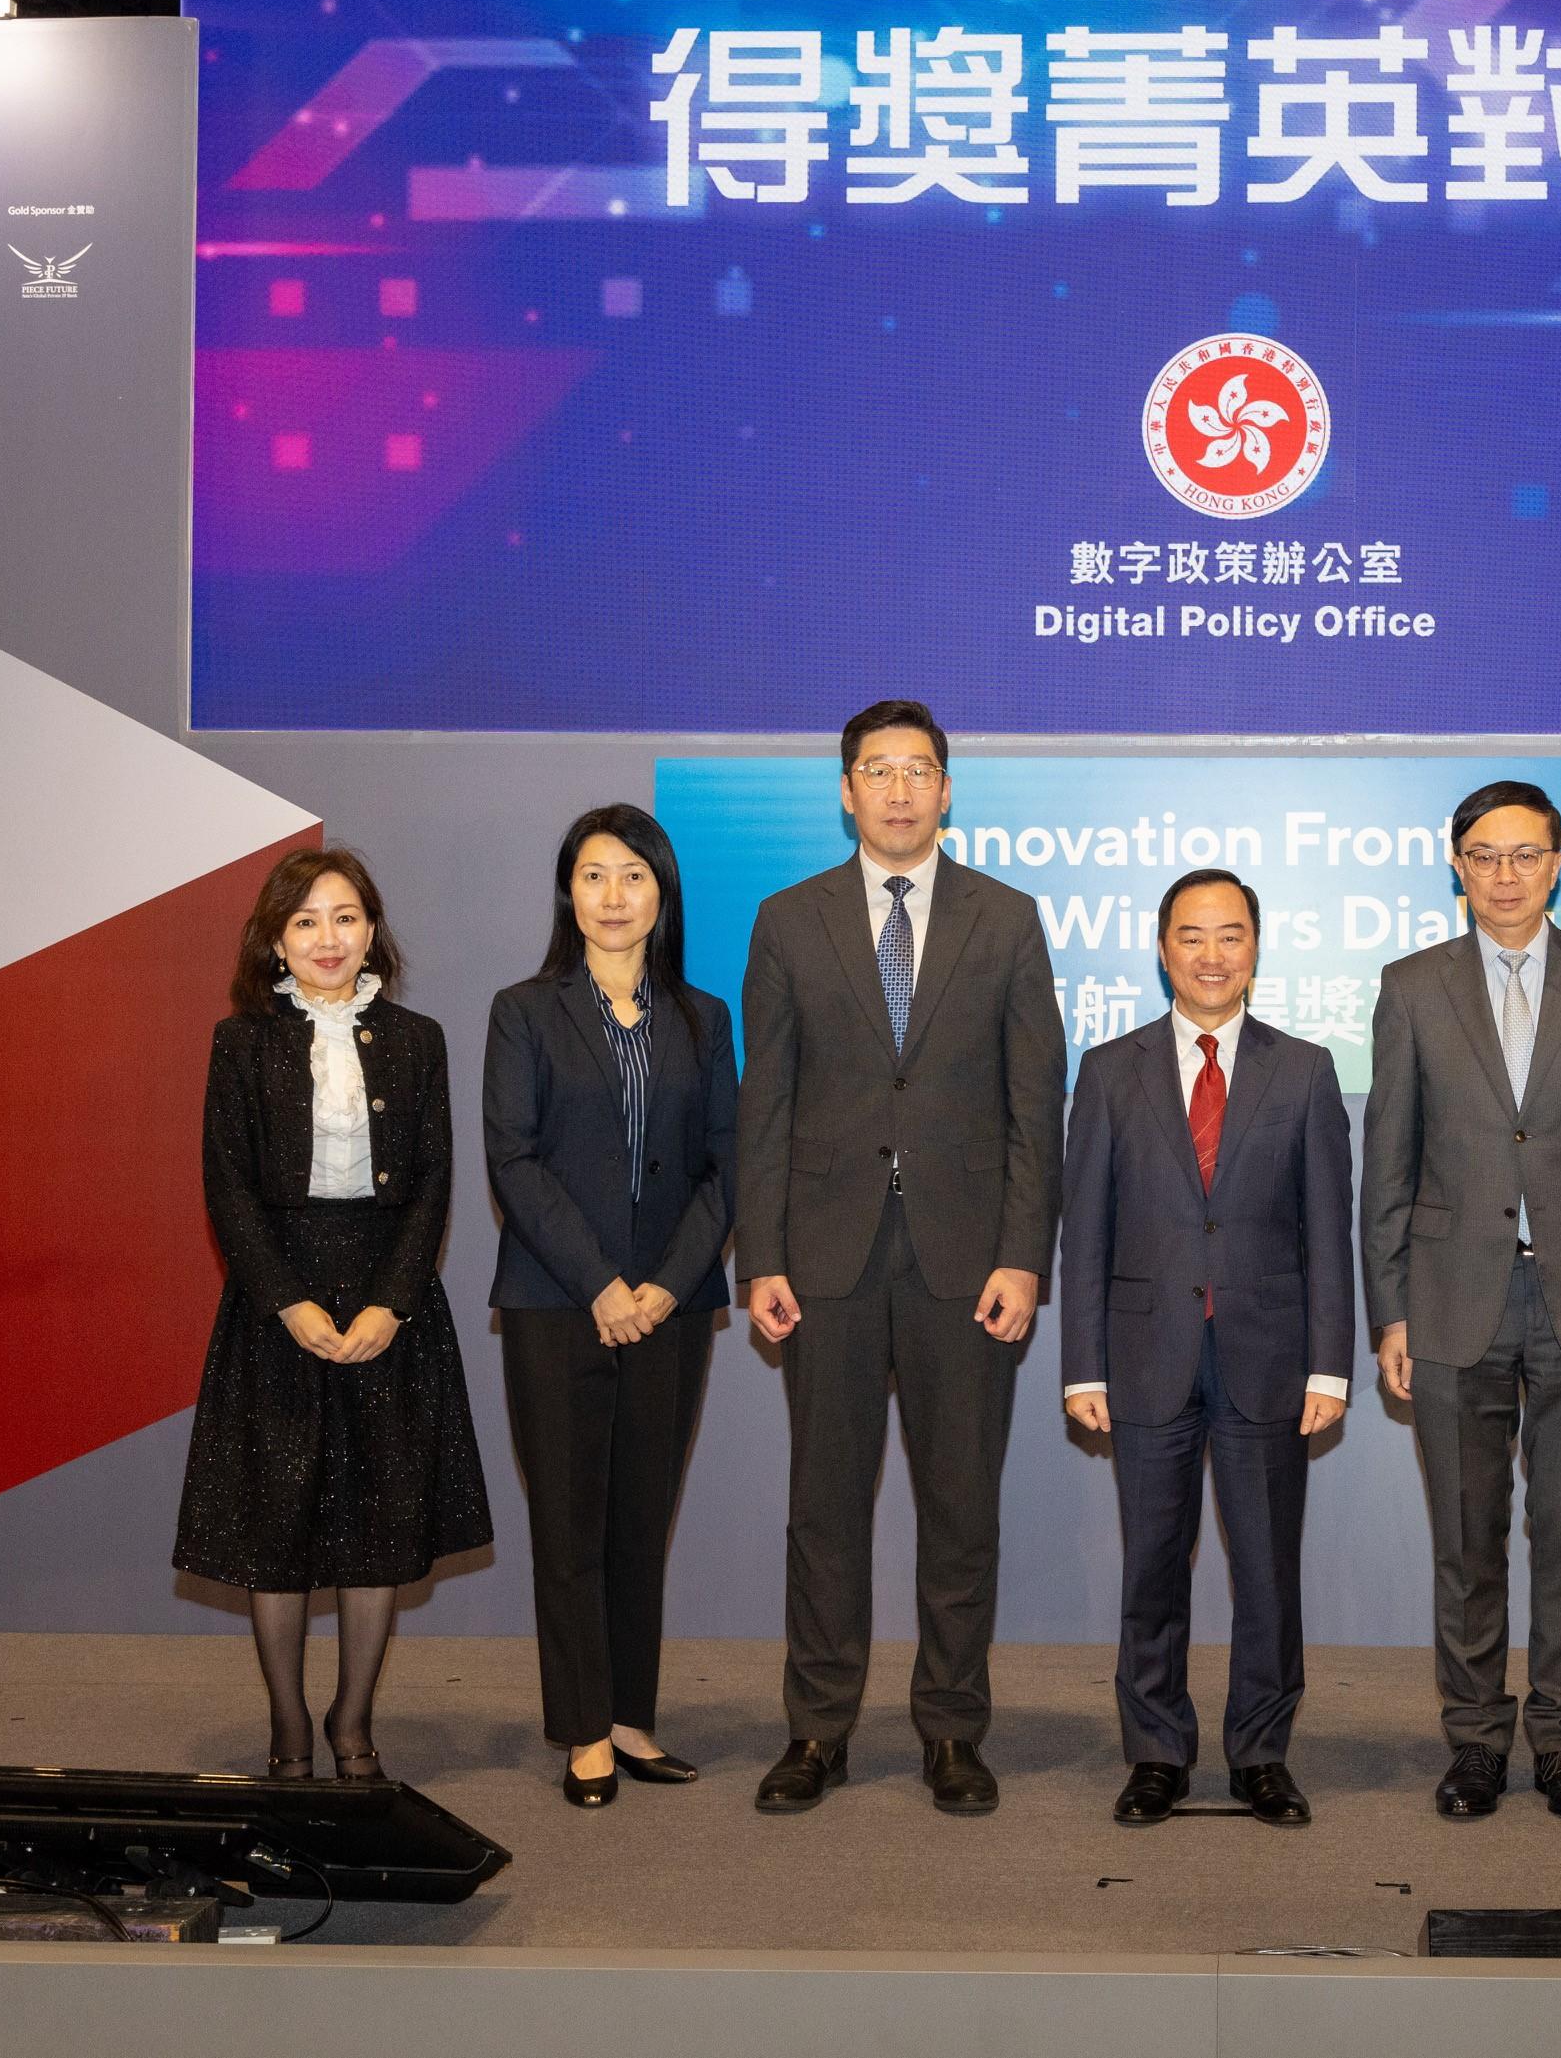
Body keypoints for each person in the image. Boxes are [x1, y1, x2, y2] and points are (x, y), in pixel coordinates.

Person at [737, 700, 1066, 1815]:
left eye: (917, 770)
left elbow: (1037, 1107)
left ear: (945, 789)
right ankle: (817, 1730)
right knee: (823, 1510)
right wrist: (761, 1256)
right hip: (824, 1261)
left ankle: (952, 1732)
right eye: (876, 770)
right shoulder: (788, 921)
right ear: (845, 789)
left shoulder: (1007, 919)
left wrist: (1025, 1256)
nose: (897, 789)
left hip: (964, 1264)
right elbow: (764, 1105)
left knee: (958, 1507)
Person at [1362, 780, 1561, 1824]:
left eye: (1525, 854)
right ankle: (1473, 1741)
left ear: (1558, 862)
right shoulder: (1411, 987)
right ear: (1455, 865)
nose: (1505, 875)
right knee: (1466, 1538)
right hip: (1453, 1303)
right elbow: (1388, 1169)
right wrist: (1390, 1313)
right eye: (1484, 855)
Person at [172, 845, 493, 1780]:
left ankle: (353, 1724)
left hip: (390, 1302)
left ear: (372, 929)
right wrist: (285, 1301)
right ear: (276, 939)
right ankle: (287, 1726)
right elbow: (225, 1185)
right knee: (279, 1527)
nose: (328, 937)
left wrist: (394, 1300)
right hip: (277, 1303)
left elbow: (433, 1180)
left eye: (345, 917)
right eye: (306, 920)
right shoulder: (240, 1042)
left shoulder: (418, 1036)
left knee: (376, 1526)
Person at [1058, 869, 1356, 1828]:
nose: (1212, 954)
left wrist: (1329, 1362)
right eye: (1192, 935)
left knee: (1268, 1566)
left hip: (1270, 1357)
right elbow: (1087, 1232)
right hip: (1145, 1357)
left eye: (1231, 935)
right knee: (1152, 1562)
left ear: (1257, 948)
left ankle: (1262, 1753)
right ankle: (1155, 1752)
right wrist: (1081, 1363)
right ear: (1160, 947)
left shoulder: (1305, 1070)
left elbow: (1326, 1231)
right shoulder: (1109, 1070)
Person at [485, 804, 737, 1809]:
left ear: (662, 893)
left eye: (633, 875)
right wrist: (600, 1284)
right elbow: (515, 1157)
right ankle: (582, 1732)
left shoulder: (704, 1018)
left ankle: (631, 1720)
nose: (614, 896)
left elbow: (729, 1165)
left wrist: (666, 1286)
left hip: (671, 1308)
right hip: (557, 1303)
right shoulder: (523, 1010)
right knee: (570, 1525)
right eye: (593, 876)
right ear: (568, 892)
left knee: (641, 1523)